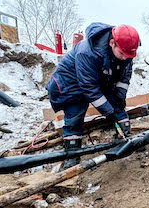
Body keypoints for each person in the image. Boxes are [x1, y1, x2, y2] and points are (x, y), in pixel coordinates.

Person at [46, 23, 140, 169]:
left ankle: (125, 135)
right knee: (75, 113)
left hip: (99, 79)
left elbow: (125, 76)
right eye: (122, 54)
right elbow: (89, 87)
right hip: (70, 85)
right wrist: (108, 111)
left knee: (117, 103)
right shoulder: (87, 52)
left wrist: (119, 97)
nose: (124, 58)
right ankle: (72, 153)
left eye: (128, 56)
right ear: (111, 43)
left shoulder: (125, 51)